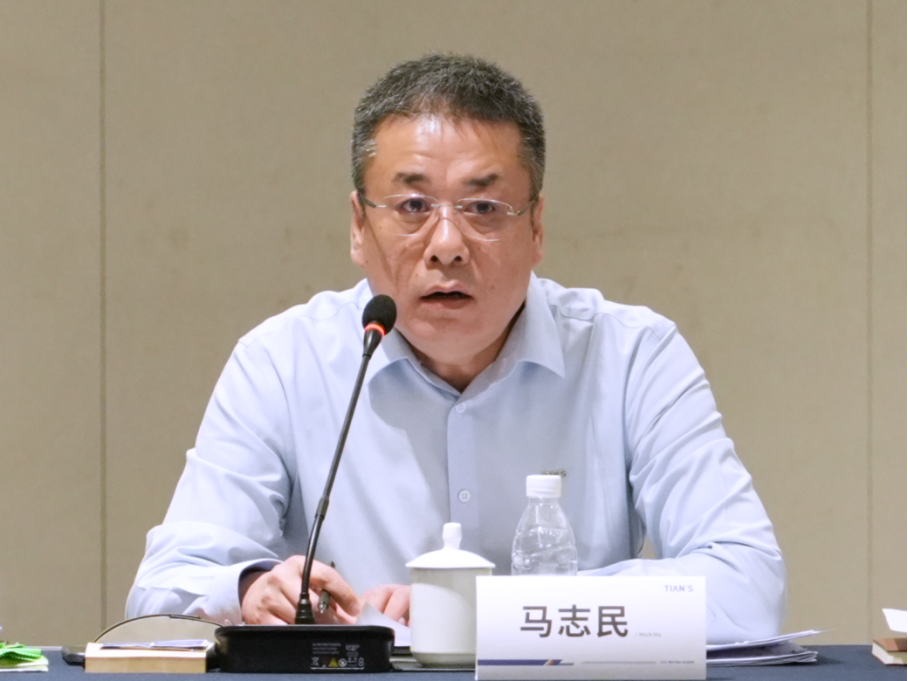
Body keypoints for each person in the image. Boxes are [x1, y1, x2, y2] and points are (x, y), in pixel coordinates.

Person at [127, 54, 786, 643]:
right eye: (413, 206)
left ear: (537, 228)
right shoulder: (282, 362)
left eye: (484, 208)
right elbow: (163, 588)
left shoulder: (632, 356)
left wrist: (487, 613)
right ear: (358, 226)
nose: (446, 245)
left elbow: (746, 587)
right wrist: (248, 589)